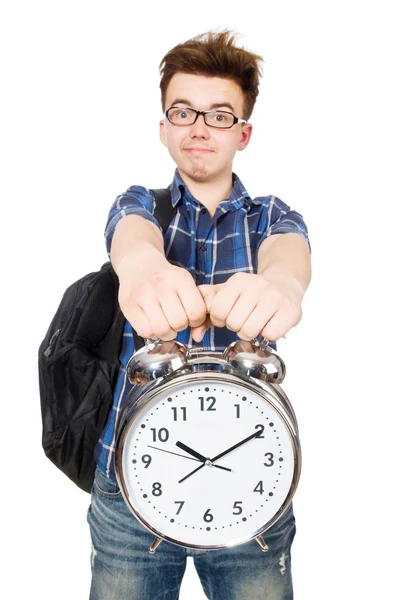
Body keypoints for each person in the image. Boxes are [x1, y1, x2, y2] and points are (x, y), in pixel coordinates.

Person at [87, 30, 311, 600]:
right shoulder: (138, 204)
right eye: (183, 111)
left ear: (244, 133)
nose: (200, 128)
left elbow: (288, 260)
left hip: (252, 482)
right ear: (164, 127)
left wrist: (281, 287)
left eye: (220, 115)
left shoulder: (271, 217)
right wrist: (142, 271)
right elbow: (132, 242)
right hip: (127, 484)